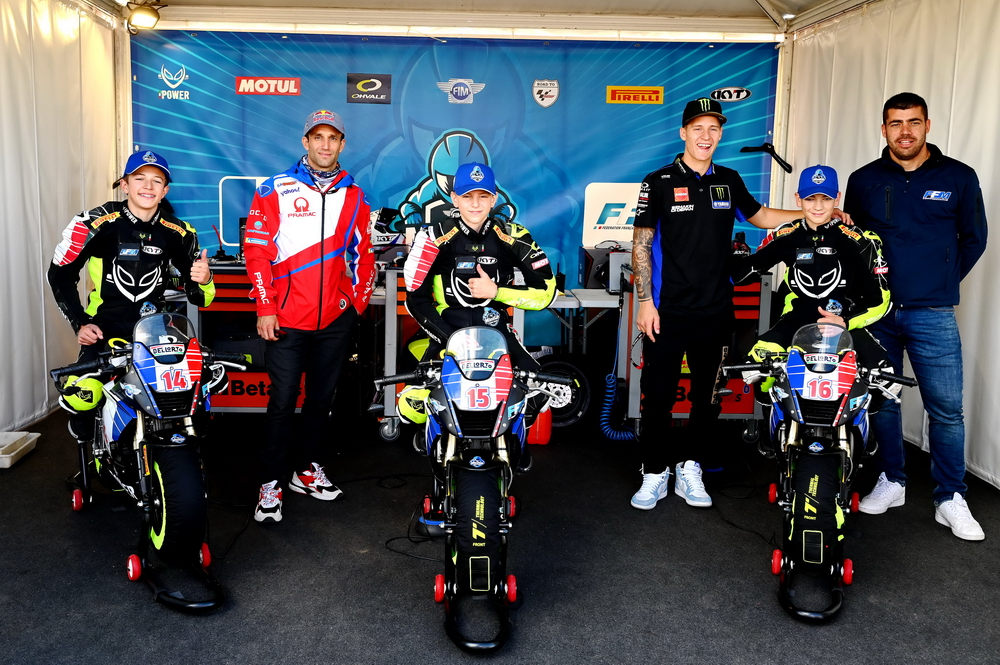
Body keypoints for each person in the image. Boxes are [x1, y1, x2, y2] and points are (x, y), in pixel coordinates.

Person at [630, 97, 835, 511]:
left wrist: (815, 213)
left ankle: (690, 467)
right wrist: (645, 301)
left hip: (716, 311)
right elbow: (641, 243)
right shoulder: (659, 181)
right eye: (698, 128)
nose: (705, 136)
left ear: (720, 134)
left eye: (713, 128)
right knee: (658, 395)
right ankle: (654, 470)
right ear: (683, 133)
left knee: (707, 397)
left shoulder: (729, 179)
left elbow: (760, 216)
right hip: (667, 311)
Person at [845, 92, 988, 540]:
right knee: (883, 401)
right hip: (878, 314)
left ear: (927, 125)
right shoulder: (864, 179)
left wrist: (940, 280)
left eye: (913, 122)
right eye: (895, 123)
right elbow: (853, 242)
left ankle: (951, 497)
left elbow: (975, 238)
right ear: (883, 129)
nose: (904, 131)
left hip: (932, 313)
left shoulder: (958, 176)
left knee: (946, 410)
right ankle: (893, 480)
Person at [244, 109, 376, 523]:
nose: (325, 144)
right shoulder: (275, 189)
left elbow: (364, 255)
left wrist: (355, 304)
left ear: (342, 144)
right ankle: (270, 483)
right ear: (305, 142)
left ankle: (306, 470)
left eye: (332, 138)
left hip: (334, 321)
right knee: (283, 401)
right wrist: (266, 307)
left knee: (321, 399)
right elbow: (256, 252)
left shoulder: (355, 195)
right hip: (285, 319)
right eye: (317, 137)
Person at [49, 150, 215, 436]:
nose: (148, 186)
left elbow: (200, 298)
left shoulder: (180, 232)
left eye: (156, 180)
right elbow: (60, 275)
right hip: (104, 328)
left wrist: (205, 279)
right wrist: (81, 323)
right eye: (139, 178)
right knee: (83, 396)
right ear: (125, 185)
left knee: (198, 394)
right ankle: (89, 444)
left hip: (156, 332)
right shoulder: (93, 222)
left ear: (165, 190)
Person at [402, 161, 556, 434]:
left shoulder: (513, 235)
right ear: (454, 198)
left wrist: (496, 292)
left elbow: (546, 292)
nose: (475, 204)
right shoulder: (433, 236)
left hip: (496, 331)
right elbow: (415, 298)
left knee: (539, 394)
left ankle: (509, 444)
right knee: (411, 406)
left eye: (483, 196)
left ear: (493, 199)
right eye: (467, 196)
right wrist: (450, 339)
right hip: (447, 333)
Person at [732, 164, 891, 375]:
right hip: (794, 323)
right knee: (753, 370)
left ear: (837, 199)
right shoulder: (786, 235)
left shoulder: (858, 240)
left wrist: (845, 322)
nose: (818, 206)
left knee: (884, 375)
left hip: (843, 325)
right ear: (798, 200)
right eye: (810, 199)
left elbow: (880, 300)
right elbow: (741, 274)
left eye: (826, 198)